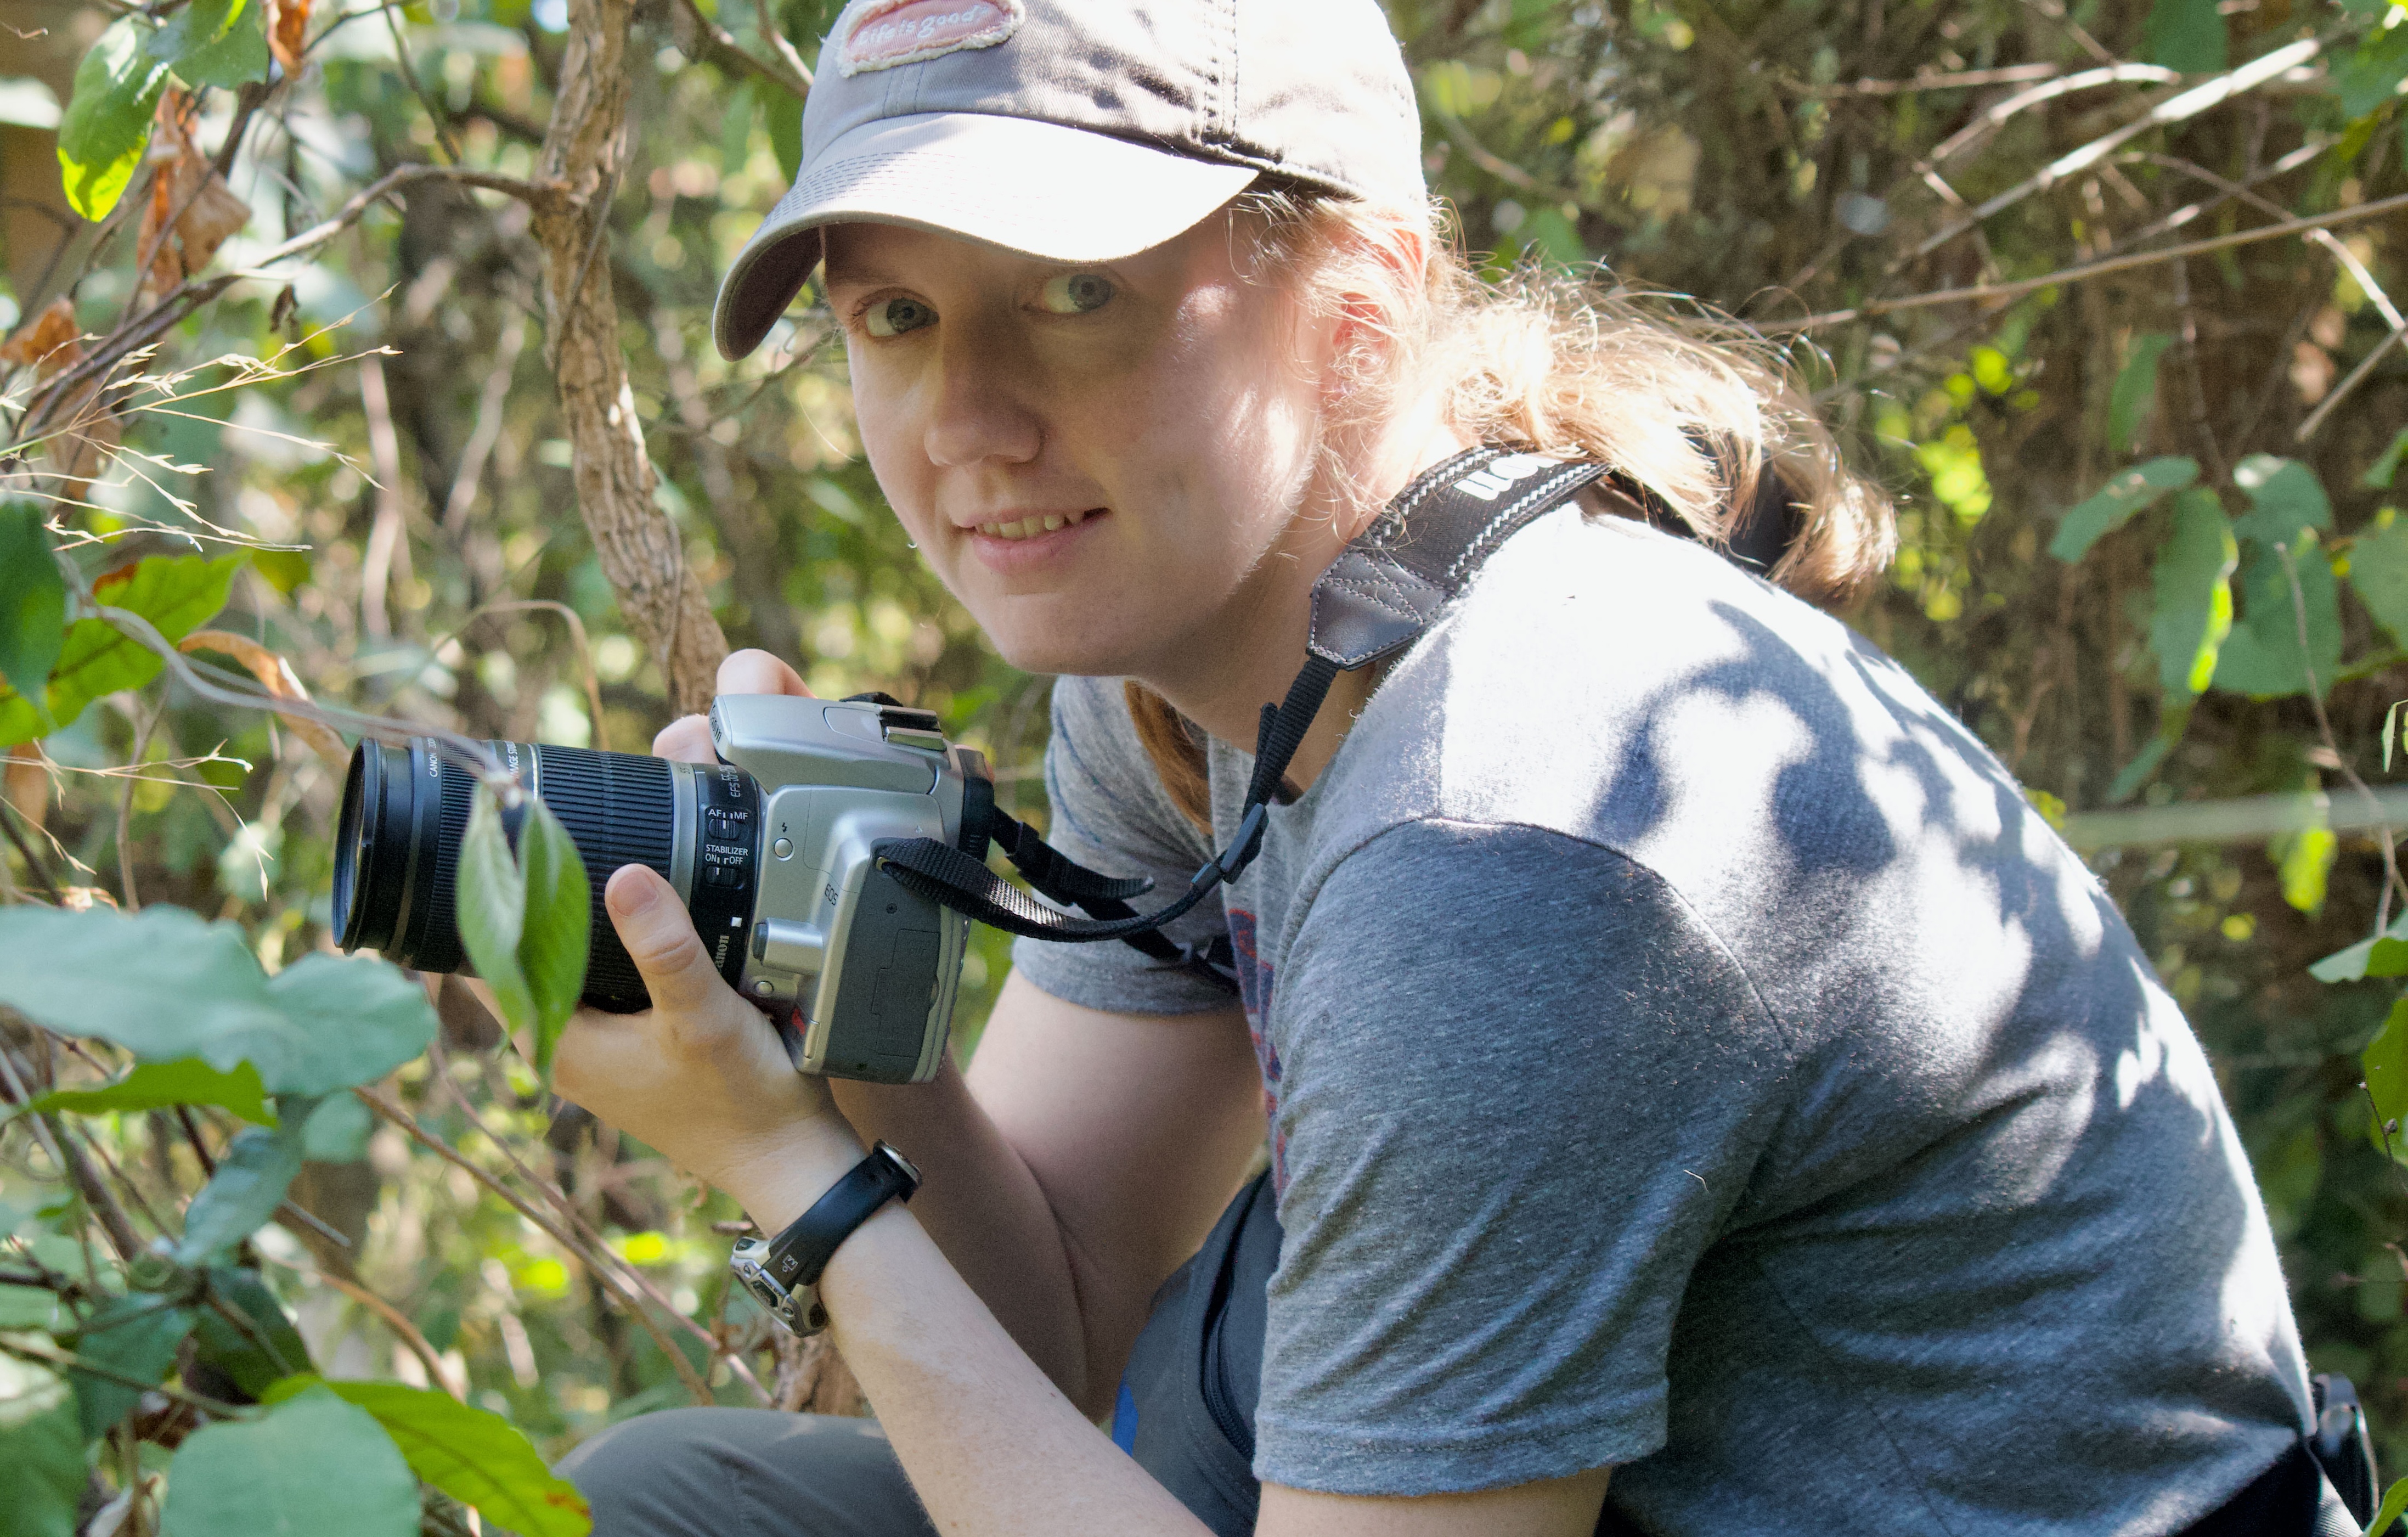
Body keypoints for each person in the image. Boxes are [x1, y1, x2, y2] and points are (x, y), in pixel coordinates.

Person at [548, 2, 2328, 1533]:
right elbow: (1067, 1313)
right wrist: (834, 1029)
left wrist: (809, 1184)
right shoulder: (1175, 686)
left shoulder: (1518, 827)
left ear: (1359, 303)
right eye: (897, 319)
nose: (968, 423)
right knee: (670, 1506)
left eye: (1077, 291)